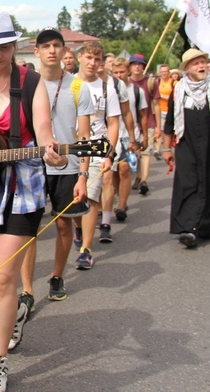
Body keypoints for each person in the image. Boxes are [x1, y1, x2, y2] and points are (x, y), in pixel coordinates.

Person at [0, 11, 66, 391]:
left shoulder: (31, 82)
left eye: (5, 46)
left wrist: (51, 150)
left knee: (6, 275)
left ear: (14, 45)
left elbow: (43, 129)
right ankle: (13, 314)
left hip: (21, 187)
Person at [20, 27, 93, 304]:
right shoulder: (27, 84)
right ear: (36, 51)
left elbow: (84, 137)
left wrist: (83, 176)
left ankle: (57, 274)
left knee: (64, 226)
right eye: (46, 46)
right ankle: (27, 288)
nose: (52, 51)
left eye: (57, 46)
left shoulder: (77, 86)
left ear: (64, 51)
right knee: (28, 230)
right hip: (32, 165)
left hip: (68, 167)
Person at [161, 49, 210, 248]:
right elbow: (169, 123)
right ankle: (188, 228)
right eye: (196, 63)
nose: (201, 66)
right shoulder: (178, 90)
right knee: (188, 183)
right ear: (187, 68)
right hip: (186, 144)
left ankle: (205, 227)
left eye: (203, 62)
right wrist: (166, 149)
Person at [74, 41, 120, 269]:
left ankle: (86, 250)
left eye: (97, 59)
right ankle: (78, 227)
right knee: (73, 200)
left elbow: (113, 123)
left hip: (96, 149)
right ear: (80, 57)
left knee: (91, 198)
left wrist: (109, 153)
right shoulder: (68, 84)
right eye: (89, 58)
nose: (93, 63)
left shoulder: (106, 88)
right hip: (70, 149)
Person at [96, 53, 136, 242]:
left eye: (99, 61)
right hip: (86, 141)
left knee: (108, 178)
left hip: (113, 137)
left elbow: (126, 112)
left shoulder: (116, 85)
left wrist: (132, 137)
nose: (95, 64)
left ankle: (106, 222)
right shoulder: (77, 83)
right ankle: (89, 216)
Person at [111, 58, 148, 222]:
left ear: (128, 72)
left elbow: (143, 115)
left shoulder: (136, 91)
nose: (119, 75)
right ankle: (119, 194)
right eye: (116, 72)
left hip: (128, 136)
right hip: (111, 136)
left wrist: (143, 136)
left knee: (125, 168)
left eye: (122, 72)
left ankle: (121, 205)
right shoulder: (109, 88)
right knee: (113, 173)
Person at [129, 53, 161, 194]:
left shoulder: (151, 82)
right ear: (130, 66)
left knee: (146, 152)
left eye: (140, 64)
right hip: (131, 124)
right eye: (134, 64)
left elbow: (157, 105)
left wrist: (159, 126)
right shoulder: (125, 82)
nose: (137, 67)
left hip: (148, 122)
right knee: (134, 154)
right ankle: (138, 176)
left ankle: (144, 181)